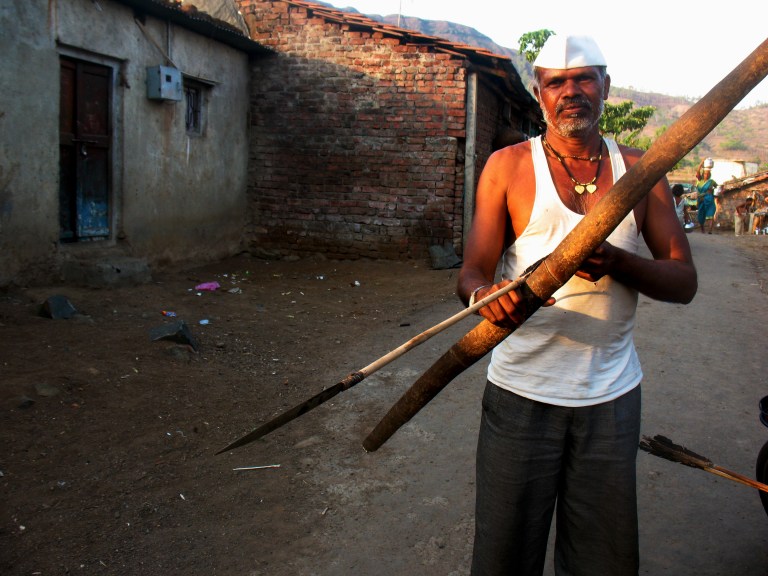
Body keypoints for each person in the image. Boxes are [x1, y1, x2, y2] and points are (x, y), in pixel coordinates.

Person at [457, 35, 697, 576]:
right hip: (520, 393)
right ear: (539, 93)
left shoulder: (642, 170)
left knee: (602, 560)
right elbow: (472, 271)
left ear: (605, 86)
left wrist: (617, 262)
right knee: (503, 554)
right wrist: (482, 297)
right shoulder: (507, 166)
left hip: (611, 397)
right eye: (557, 83)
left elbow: (683, 281)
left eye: (584, 78)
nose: (571, 92)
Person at [695, 159, 717, 234]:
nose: (706, 175)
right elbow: (697, 171)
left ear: (709, 175)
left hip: (709, 199)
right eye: (705, 174)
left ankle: (710, 230)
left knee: (710, 213)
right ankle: (702, 229)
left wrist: (712, 189)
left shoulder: (711, 181)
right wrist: (701, 163)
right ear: (703, 174)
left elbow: (717, 187)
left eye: (708, 174)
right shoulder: (699, 180)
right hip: (701, 199)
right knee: (701, 215)